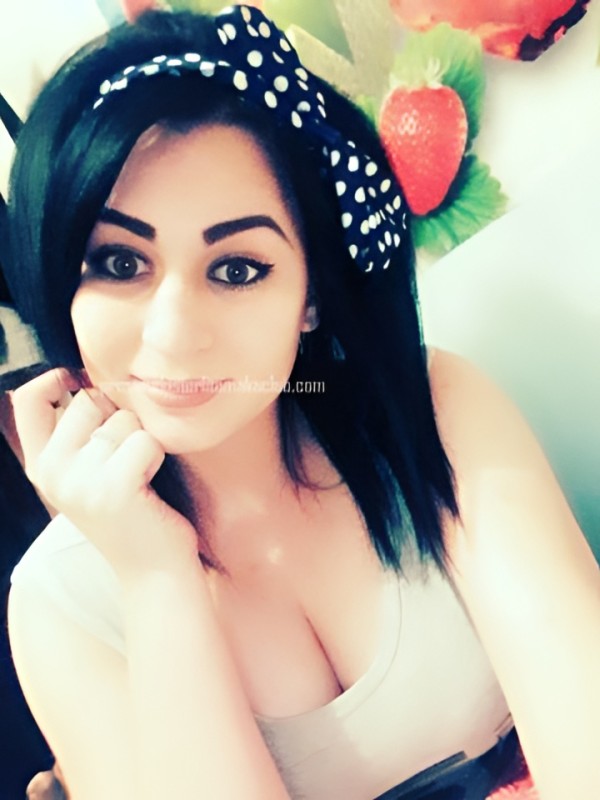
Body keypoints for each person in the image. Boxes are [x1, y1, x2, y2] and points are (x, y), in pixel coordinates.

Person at [3, 5, 599, 800]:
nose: (173, 335)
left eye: (237, 269)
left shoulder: (432, 412)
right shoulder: (58, 607)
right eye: (119, 262)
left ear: (311, 295)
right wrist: (156, 578)